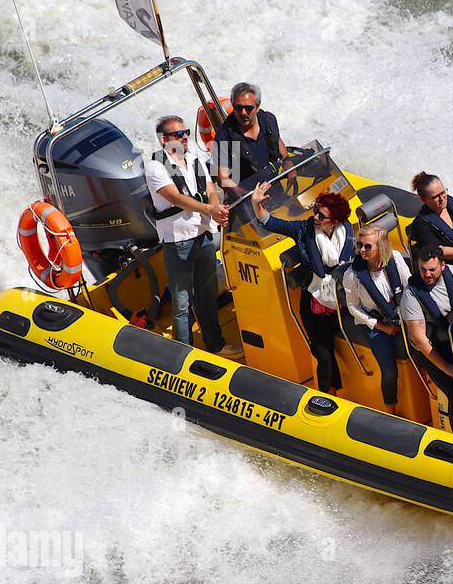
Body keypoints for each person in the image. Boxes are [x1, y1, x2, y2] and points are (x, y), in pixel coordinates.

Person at [144, 115, 237, 356]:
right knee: (182, 301)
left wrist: (216, 209)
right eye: (178, 134)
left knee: (206, 296)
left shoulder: (194, 160)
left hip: (203, 235)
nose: (185, 137)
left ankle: (215, 345)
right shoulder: (155, 166)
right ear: (165, 140)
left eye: (185, 132)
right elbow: (174, 197)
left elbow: (209, 190)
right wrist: (209, 209)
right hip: (178, 241)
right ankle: (183, 352)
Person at [251, 181, 353, 393]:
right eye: (315, 211)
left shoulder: (346, 234)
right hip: (314, 301)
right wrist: (256, 204)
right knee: (323, 353)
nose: (315, 217)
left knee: (336, 347)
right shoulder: (303, 229)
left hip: (344, 299)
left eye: (321, 216)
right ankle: (328, 394)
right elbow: (272, 223)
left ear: (334, 222)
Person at [400, 244, 453, 436]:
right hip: (434, 349)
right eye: (423, 270)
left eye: (432, 269)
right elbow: (420, 339)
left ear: (443, 266)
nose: (427, 274)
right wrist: (447, 368)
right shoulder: (410, 295)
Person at [342, 226, 411, 411]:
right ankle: (391, 410)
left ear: (381, 247)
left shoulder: (395, 259)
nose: (362, 250)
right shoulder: (352, 275)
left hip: (403, 314)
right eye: (359, 245)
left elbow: (409, 286)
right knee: (389, 371)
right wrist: (381, 326)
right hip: (377, 323)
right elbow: (353, 307)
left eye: (367, 246)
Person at [213, 82, 288, 191]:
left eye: (248, 108)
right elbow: (222, 179)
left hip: (274, 186)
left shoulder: (269, 120)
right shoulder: (224, 137)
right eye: (238, 108)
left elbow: (279, 144)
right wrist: (248, 196)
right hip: (248, 196)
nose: (243, 113)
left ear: (257, 107)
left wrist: (289, 163)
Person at [410, 171, 453, 274]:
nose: (442, 199)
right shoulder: (421, 224)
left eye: (443, 192)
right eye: (435, 197)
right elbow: (438, 250)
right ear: (423, 199)